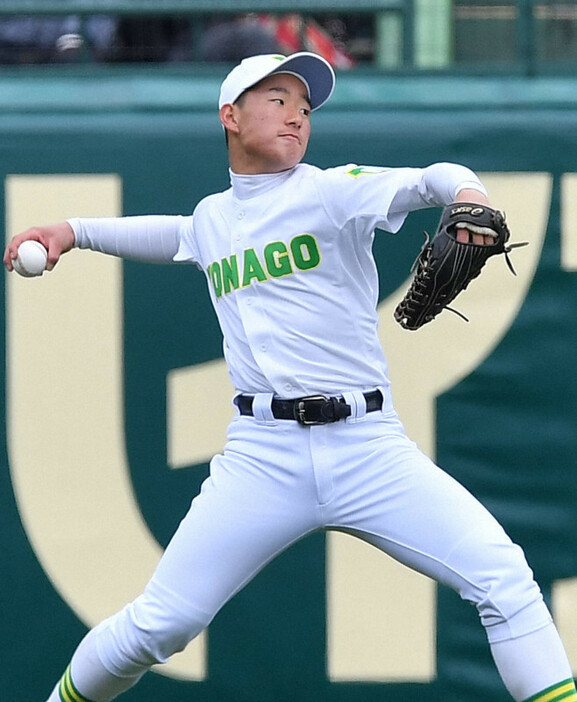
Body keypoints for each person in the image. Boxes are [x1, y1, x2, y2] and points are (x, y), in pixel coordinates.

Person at [5, 52, 576, 702]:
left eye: (304, 107)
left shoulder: (329, 190)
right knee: (161, 625)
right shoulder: (215, 218)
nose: (296, 115)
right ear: (230, 115)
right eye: (277, 98)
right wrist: (73, 232)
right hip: (262, 456)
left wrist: (467, 194)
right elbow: (176, 236)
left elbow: (431, 180)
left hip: (367, 446)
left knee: (501, 577)